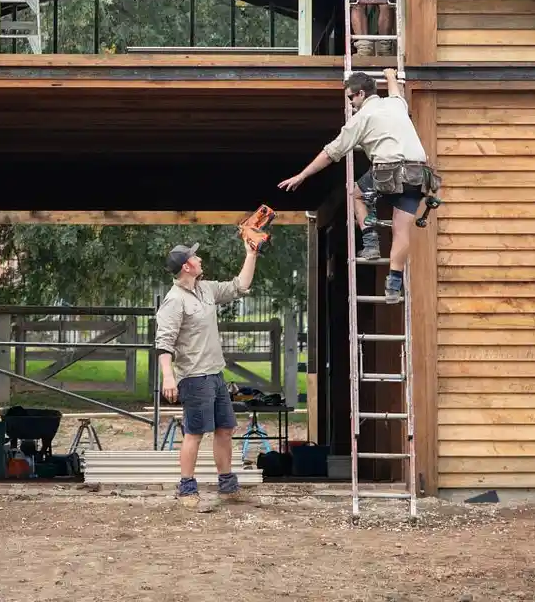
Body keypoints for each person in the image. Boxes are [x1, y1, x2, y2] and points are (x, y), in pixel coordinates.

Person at [278, 69, 438, 303]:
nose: (351, 103)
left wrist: (302, 175)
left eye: (351, 97)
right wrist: (391, 74)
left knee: (356, 194)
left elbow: (330, 153)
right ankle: (393, 286)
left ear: (361, 94)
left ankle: (370, 242)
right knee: (401, 230)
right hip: (418, 174)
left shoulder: (361, 118)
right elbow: (395, 91)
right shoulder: (395, 105)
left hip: (389, 170)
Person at [154, 240, 260, 510]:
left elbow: (239, 286)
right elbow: (164, 344)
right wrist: (168, 377)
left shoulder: (206, 289)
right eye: (195, 257)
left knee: (225, 429)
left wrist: (251, 253)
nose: (200, 258)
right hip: (193, 377)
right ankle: (187, 488)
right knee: (195, 433)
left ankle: (227, 487)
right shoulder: (173, 301)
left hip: (215, 374)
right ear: (187, 266)